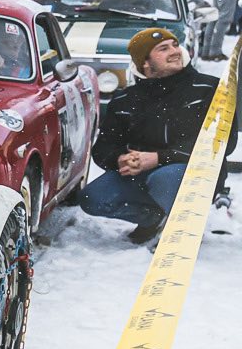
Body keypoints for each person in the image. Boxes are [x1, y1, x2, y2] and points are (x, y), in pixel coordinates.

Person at [80, 27, 234, 242]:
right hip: (143, 175)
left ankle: (181, 232)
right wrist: (121, 158)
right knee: (92, 198)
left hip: (194, 173)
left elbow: (223, 142)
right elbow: (104, 146)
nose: (174, 51)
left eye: (175, 45)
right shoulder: (125, 99)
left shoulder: (208, 88)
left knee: (165, 178)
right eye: (163, 49)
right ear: (145, 63)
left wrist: (159, 158)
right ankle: (152, 218)